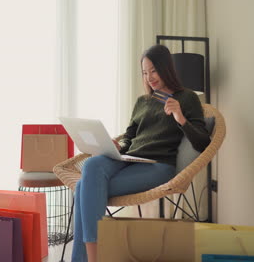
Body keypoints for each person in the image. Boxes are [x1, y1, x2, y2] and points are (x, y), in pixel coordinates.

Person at [71, 44, 211, 262]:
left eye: (153, 70)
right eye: (145, 72)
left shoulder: (187, 98)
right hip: (130, 159)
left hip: (158, 166)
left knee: (83, 187)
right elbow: (130, 136)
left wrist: (180, 118)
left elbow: (203, 142)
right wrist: (118, 147)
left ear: (166, 68)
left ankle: (91, 258)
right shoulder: (142, 101)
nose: (149, 77)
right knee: (92, 165)